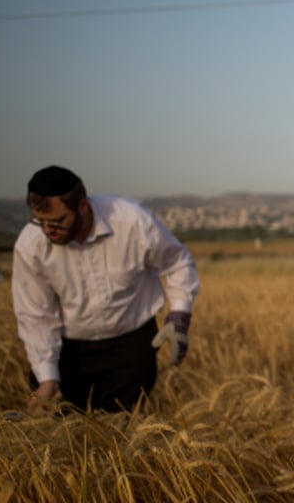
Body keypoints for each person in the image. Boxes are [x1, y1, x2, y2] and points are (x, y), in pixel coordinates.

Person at [12, 165, 200, 412]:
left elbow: (177, 263)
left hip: (132, 352)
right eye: (40, 221)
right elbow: (35, 315)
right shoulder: (30, 245)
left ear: (82, 206)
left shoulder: (132, 221)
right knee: (68, 439)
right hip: (70, 354)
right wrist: (47, 377)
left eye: (57, 221)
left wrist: (178, 317)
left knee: (124, 433)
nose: (48, 231)